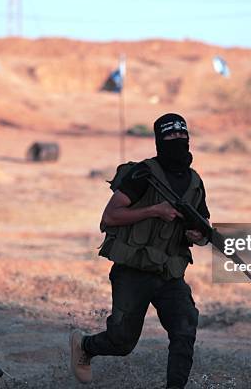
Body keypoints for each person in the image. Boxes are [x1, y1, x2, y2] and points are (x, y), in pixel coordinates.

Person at [69, 113, 210, 388]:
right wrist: (153, 210)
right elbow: (110, 216)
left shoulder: (194, 182)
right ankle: (84, 346)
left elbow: (204, 226)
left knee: (185, 328)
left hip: (169, 275)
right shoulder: (143, 174)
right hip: (132, 272)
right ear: (159, 140)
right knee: (121, 342)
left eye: (183, 136)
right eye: (171, 136)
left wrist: (199, 234)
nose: (178, 140)